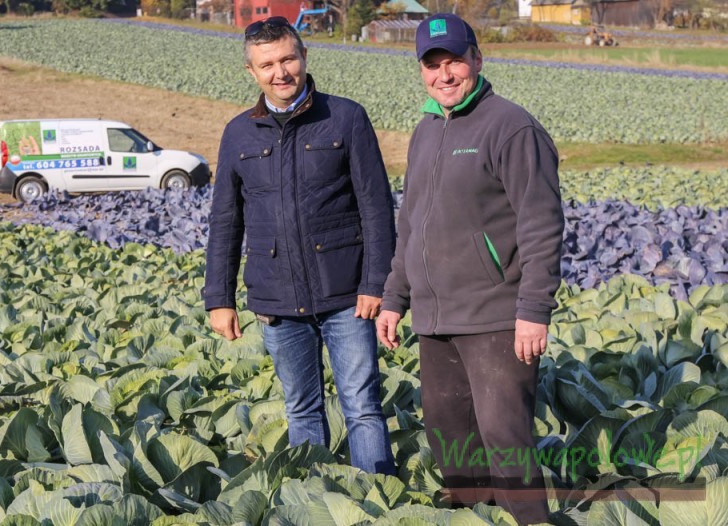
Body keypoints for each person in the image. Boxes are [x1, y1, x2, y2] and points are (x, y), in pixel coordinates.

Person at [376, 13, 564, 525]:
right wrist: (395, 296)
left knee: (505, 438)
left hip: (497, 316)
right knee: (447, 434)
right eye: (432, 64)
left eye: (454, 60)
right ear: (421, 72)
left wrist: (533, 310)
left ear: (477, 59)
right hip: (437, 319)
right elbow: (411, 223)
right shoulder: (426, 130)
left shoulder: (511, 126)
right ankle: (475, 517)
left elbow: (541, 224)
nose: (444, 74)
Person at [203, 16, 396, 475]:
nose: (280, 71)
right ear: (251, 72)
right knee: (302, 409)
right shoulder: (238, 134)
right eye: (267, 64)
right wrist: (219, 298)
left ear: (305, 58)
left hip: (347, 296)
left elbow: (376, 207)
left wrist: (376, 282)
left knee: (362, 405)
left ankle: (379, 499)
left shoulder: (345, 117)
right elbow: (226, 221)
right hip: (277, 299)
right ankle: (316, 498)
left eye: (288, 58)